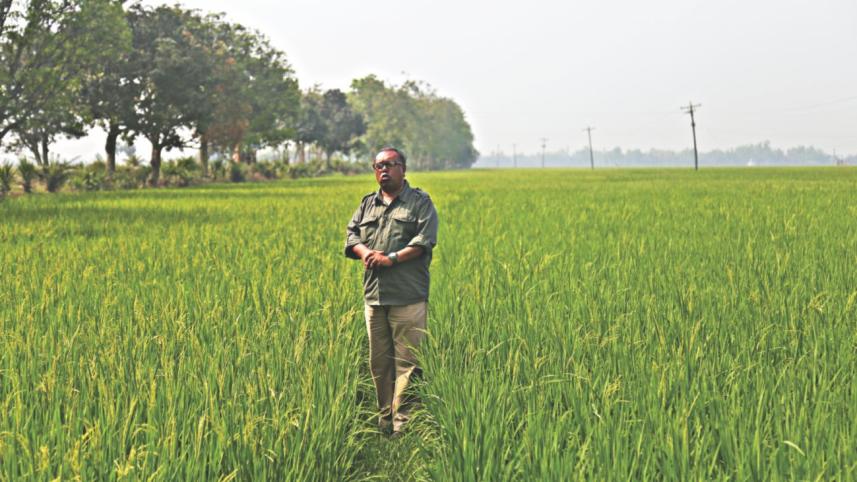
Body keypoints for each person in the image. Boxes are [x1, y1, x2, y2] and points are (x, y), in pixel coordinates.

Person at [344, 147, 439, 436]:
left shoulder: (419, 202)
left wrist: (391, 258)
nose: (383, 170)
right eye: (378, 165)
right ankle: (384, 419)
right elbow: (352, 236)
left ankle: (403, 424)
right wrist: (364, 253)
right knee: (379, 362)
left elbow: (424, 240)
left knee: (407, 364)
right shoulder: (367, 204)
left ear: (403, 169)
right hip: (374, 296)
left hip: (408, 297)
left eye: (389, 164)